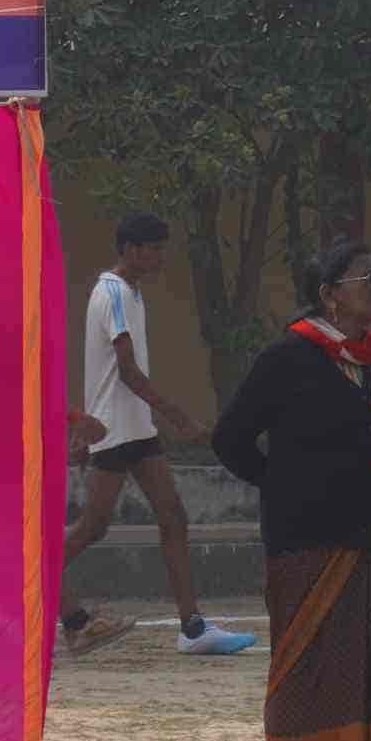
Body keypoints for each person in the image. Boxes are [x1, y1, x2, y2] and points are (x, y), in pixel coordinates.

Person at [210, 239, 371, 741]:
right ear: (328, 295)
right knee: (306, 671)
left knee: (363, 675)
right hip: (304, 543)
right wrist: (282, 486)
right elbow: (230, 439)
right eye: (365, 279)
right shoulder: (288, 357)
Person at [61, 212, 257, 658]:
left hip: (135, 428)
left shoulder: (130, 293)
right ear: (131, 250)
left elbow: (108, 369)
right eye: (154, 248)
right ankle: (31, 584)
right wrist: (178, 417)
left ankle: (192, 627)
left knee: (173, 516)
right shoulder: (112, 292)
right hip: (116, 429)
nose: (161, 257)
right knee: (93, 527)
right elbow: (126, 371)